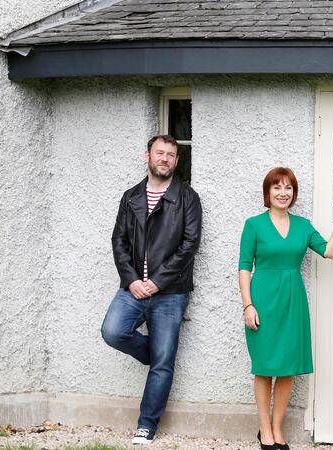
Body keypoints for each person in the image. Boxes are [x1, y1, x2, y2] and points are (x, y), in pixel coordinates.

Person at [101, 134, 202, 445]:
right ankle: (155, 353)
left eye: (171, 155)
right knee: (113, 332)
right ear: (148, 156)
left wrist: (157, 281)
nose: (165, 159)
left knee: (163, 363)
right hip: (132, 288)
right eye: (160, 153)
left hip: (170, 292)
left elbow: (189, 245)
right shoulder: (131, 196)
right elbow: (118, 242)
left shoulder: (187, 197)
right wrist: (132, 280)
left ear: (176, 161)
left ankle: (146, 425)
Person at [238, 167, 333, 450]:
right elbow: (244, 267)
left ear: (294, 193)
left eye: (288, 188)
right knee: (264, 367)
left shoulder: (303, 226)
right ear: (268, 192)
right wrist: (247, 305)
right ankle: (263, 428)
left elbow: (330, 252)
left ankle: (276, 427)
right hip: (262, 300)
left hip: (293, 302)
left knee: (286, 369)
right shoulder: (254, 224)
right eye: (277, 187)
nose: (283, 193)